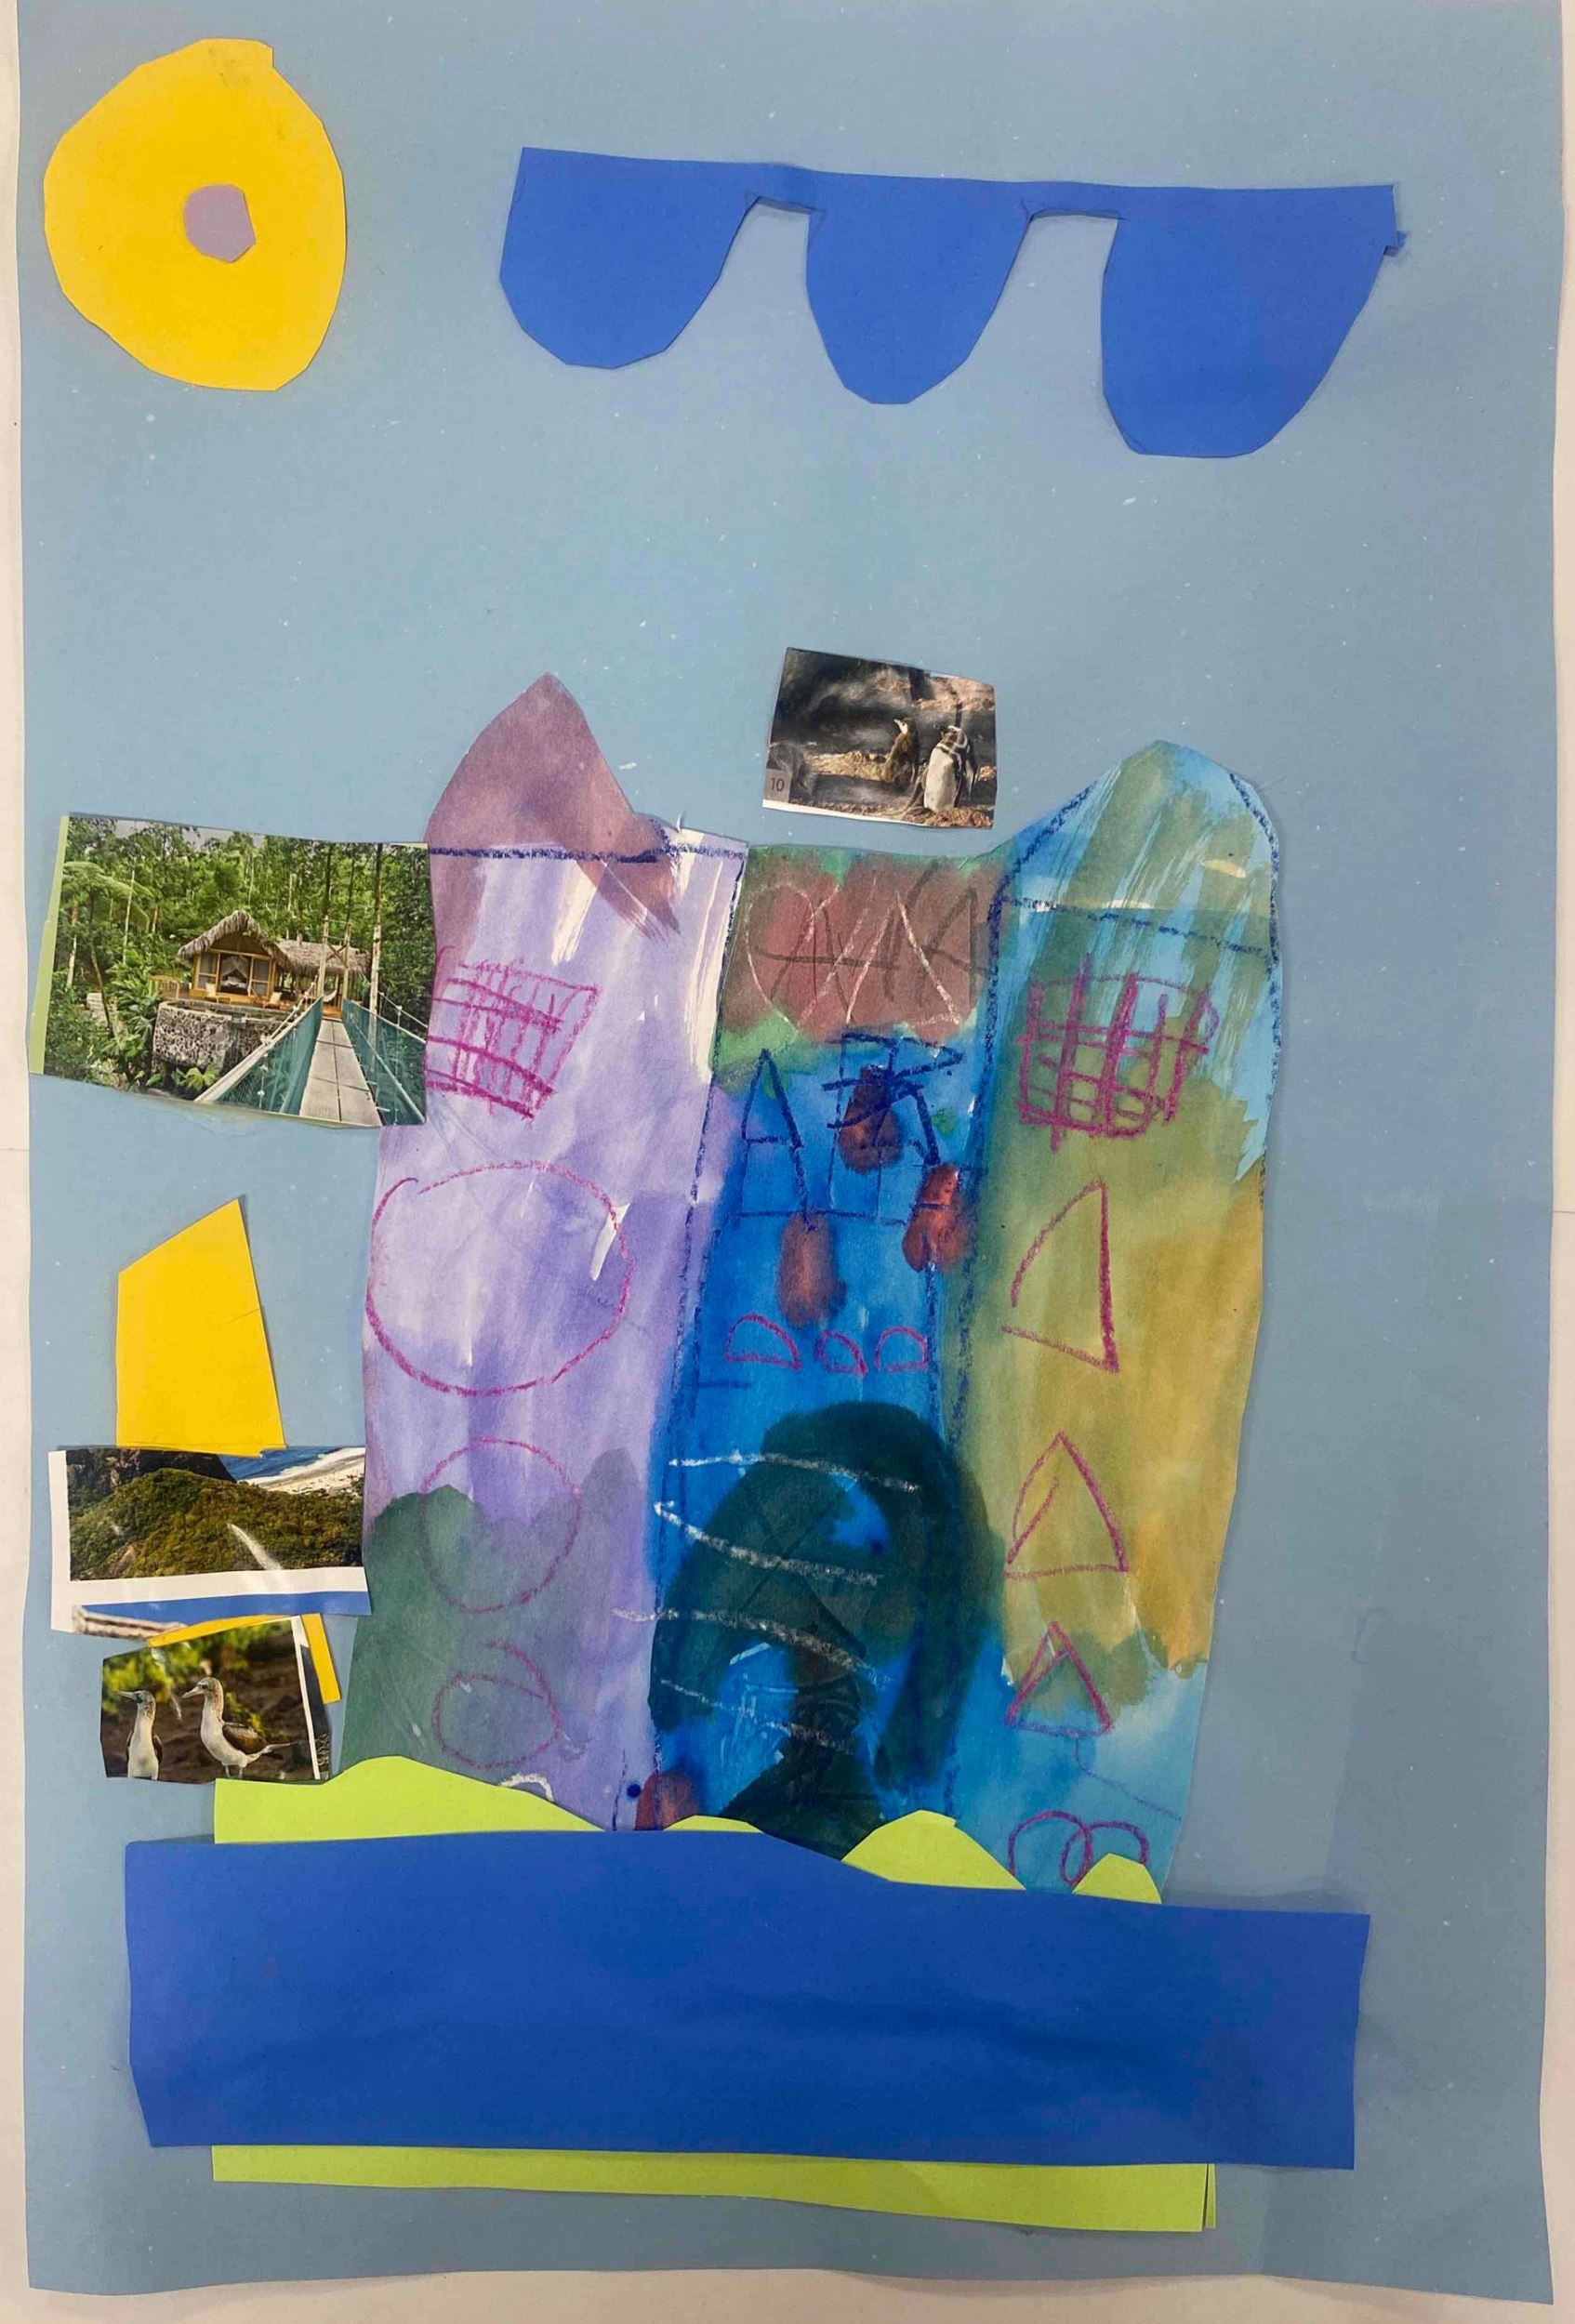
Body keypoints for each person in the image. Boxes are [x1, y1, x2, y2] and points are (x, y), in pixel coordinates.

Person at [921, 723, 966, 814]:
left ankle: (938, 804)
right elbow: (962, 778)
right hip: (943, 806)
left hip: (938, 805)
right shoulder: (956, 751)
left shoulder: (938, 750)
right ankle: (942, 804)